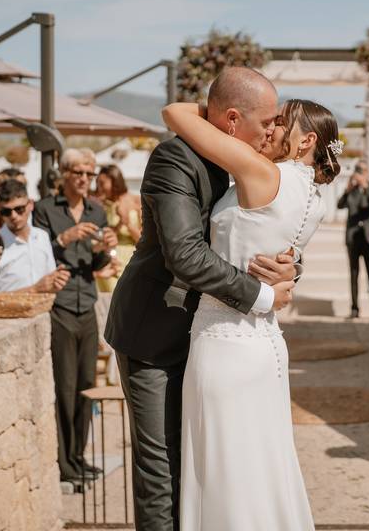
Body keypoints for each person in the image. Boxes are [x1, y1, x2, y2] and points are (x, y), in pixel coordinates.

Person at [103, 68, 298, 530]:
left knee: (204, 465)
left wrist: (290, 268)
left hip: (211, 339)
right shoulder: (174, 159)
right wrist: (263, 296)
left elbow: (258, 235)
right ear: (231, 120)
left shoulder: (238, 161)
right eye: (266, 120)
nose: (273, 130)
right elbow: (185, 256)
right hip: (155, 335)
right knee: (162, 472)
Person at [160, 92, 341, 531]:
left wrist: (227, 110)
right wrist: (290, 270)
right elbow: (287, 257)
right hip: (266, 343)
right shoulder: (314, 198)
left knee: (225, 472)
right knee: (263, 466)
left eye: (280, 123)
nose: (270, 129)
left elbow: (174, 113)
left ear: (304, 141)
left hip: (225, 341)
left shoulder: (258, 170)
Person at [33, 148, 118, 487]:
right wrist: (62, 238)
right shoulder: (44, 210)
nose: (84, 179)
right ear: (64, 175)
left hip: (87, 303)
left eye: (89, 173)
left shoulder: (98, 210)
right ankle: (64, 460)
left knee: (87, 386)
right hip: (60, 306)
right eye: (78, 173)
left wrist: (101, 251)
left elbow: (98, 266)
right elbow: (36, 254)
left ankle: (79, 456)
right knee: (64, 387)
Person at [0, 179, 69, 294]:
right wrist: (34, 289)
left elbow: (49, 282)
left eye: (19, 209)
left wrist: (57, 280)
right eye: (6, 212)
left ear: (30, 205)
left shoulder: (42, 236)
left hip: (43, 310)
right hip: (8, 311)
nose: (14, 216)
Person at [337, 160, 369, 318]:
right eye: (358, 170)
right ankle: (355, 308)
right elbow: (339, 205)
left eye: (362, 170)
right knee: (354, 274)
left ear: (368, 173)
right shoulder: (351, 191)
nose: (359, 173)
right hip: (353, 238)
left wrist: (365, 186)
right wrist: (348, 189)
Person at [94, 164, 142, 293]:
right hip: (109, 262)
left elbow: (145, 240)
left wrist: (127, 223)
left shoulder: (136, 201)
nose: (98, 187)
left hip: (132, 261)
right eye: (97, 183)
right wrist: (118, 225)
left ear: (114, 181)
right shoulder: (101, 206)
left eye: (102, 183)